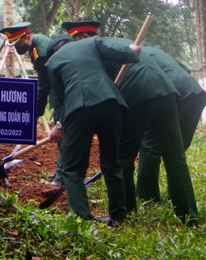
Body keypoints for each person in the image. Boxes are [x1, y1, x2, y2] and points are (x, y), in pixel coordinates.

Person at [101, 37, 199, 226]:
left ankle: (125, 215)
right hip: (168, 92)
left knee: (122, 157)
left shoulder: (100, 50)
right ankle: (189, 217)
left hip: (140, 95)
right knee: (175, 157)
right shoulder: (132, 46)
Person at [46, 34, 141, 225]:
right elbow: (124, 54)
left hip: (78, 109)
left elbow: (59, 100)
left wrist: (59, 126)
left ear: (55, 50)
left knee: (72, 169)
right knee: (111, 162)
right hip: (111, 103)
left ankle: (83, 220)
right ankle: (119, 217)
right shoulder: (90, 42)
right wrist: (132, 51)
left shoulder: (52, 62)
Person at [136, 46, 206, 206]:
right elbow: (184, 69)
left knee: (150, 143)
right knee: (176, 151)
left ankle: (147, 197)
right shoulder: (153, 50)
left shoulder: (128, 56)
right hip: (196, 93)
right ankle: (178, 199)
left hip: (173, 94)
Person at [0, 22, 51, 117]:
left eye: (18, 44)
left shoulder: (41, 53)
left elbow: (44, 86)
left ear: (28, 38)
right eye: (14, 44)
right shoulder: (35, 41)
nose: (16, 47)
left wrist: (34, 114)